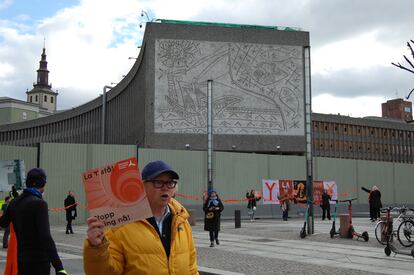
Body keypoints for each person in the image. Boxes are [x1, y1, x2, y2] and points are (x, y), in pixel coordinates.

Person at [84, 160, 198, 274]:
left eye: (170, 183)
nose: (165, 188)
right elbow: (107, 272)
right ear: (142, 186)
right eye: (158, 182)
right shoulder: (120, 225)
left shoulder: (182, 221)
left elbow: (191, 268)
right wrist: (97, 248)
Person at [0, 168, 67, 275]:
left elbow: (3, 223)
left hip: (21, 260)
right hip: (39, 262)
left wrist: (12, 202)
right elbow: (45, 237)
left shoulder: (15, 202)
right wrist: (59, 267)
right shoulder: (40, 204)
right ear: (42, 184)